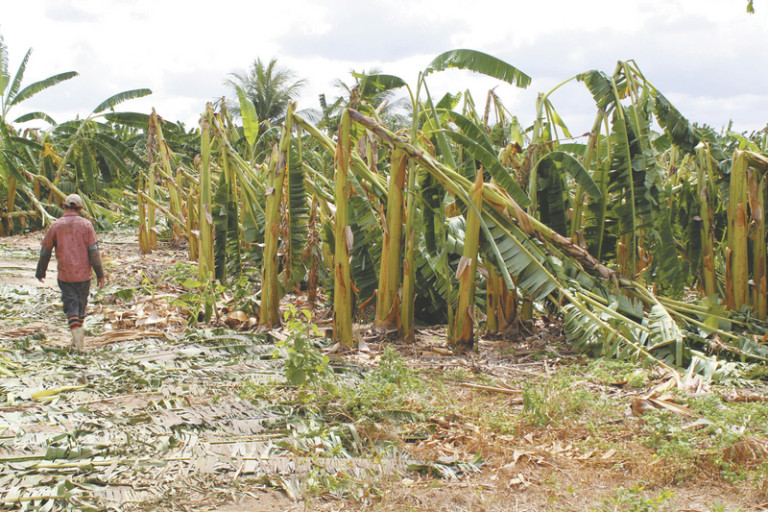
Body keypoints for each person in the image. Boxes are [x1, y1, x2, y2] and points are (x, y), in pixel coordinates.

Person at [35, 194, 106, 351]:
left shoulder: (56, 226)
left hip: (66, 275)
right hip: (84, 275)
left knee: (71, 306)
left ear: (63, 205)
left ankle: (77, 341)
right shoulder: (86, 225)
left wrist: (40, 272)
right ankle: (78, 340)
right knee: (81, 306)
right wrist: (100, 274)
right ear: (80, 208)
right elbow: (94, 253)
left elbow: (45, 252)